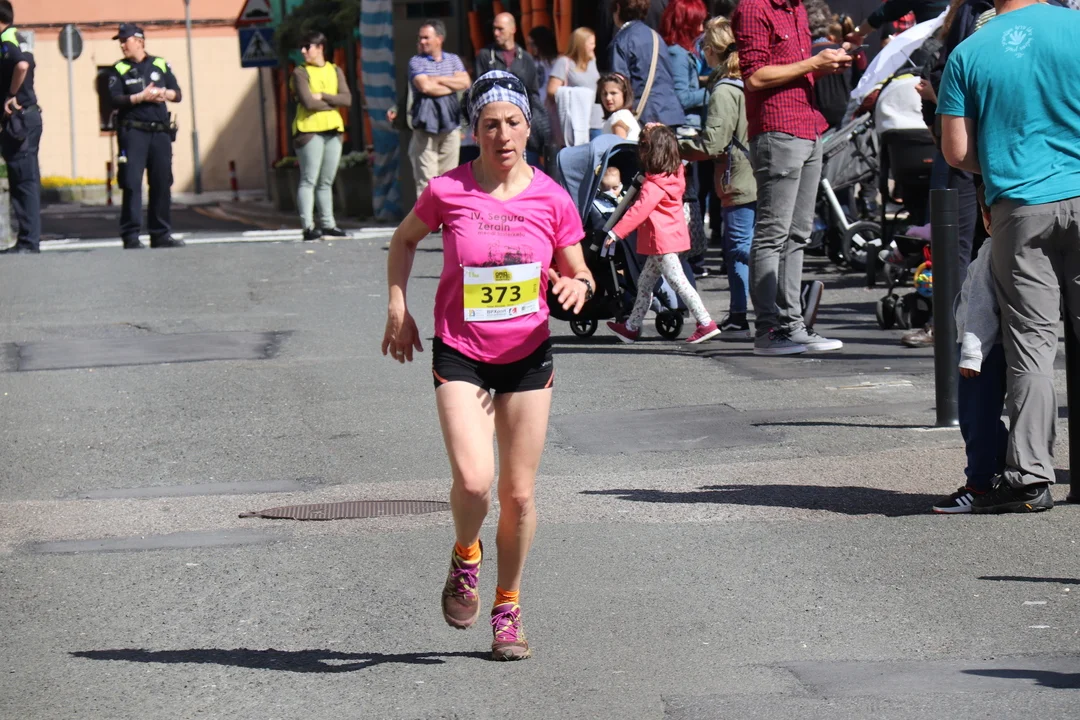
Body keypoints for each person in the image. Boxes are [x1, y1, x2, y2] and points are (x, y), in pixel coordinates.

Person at [381, 70, 594, 660]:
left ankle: (508, 606)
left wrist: (578, 285)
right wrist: (398, 306)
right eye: (490, 124)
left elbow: (579, 268)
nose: (502, 134)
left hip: (527, 356)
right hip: (461, 351)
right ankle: (466, 554)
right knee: (475, 482)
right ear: (474, 131)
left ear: (528, 128)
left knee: (519, 496)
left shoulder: (551, 197)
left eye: (512, 123)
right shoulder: (447, 190)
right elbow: (403, 241)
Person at [938, 0, 1080, 513]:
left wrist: (1004, 162)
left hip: (1019, 206)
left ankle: (1031, 478)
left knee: (1031, 347)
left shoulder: (969, 51)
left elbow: (956, 152)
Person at [732, 0, 849, 355]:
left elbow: (791, 71)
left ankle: (792, 325)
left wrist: (825, 65)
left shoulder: (796, 9)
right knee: (773, 234)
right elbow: (755, 77)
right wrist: (814, 63)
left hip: (807, 127)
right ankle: (768, 330)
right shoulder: (754, 7)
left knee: (797, 234)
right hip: (779, 130)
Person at [605, 124, 722, 344]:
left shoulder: (654, 185)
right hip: (669, 239)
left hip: (660, 241)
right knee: (645, 283)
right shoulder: (675, 174)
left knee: (677, 282)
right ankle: (631, 327)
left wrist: (616, 232)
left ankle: (705, 322)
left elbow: (638, 211)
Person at [933, 185, 1007, 513]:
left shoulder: (988, 253)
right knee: (987, 419)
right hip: (1001, 346)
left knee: (976, 419)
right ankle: (1005, 467)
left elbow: (979, 309)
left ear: (986, 217)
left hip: (983, 351)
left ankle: (978, 484)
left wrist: (971, 354)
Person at [680, 17, 756, 340]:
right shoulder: (748, 80)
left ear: (712, 50)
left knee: (739, 248)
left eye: (704, 48)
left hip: (737, 176)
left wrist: (677, 147)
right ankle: (750, 313)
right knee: (751, 246)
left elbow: (713, 143)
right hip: (756, 172)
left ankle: (745, 314)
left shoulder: (724, 89)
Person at [107, 24, 183, 250]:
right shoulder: (118, 69)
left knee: (161, 182)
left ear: (139, 41)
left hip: (159, 132)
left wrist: (162, 93)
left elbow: (177, 94)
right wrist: (140, 97)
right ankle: (131, 236)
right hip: (133, 132)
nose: (122, 45)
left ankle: (161, 234)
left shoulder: (160, 64)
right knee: (131, 183)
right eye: (120, 42)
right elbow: (114, 99)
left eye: (125, 40)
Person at [291, 32, 351, 242]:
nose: (303, 51)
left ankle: (328, 225)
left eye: (307, 46)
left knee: (326, 181)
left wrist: (323, 96)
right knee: (309, 179)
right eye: (302, 47)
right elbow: (308, 102)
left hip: (333, 130)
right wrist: (333, 102)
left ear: (320, 48)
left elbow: (347, 99)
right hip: (309, 131)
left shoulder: (335, 70)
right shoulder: (300, 72)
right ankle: (308, 227)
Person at [475, 13, 550, 166]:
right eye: (494, 29)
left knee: (526, 167)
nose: (496, 33)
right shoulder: (485, 56)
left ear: (512, 29)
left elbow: (533, 94)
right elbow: (478, 93)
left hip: (520, 125)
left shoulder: (525, 58)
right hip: (495, 125)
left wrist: (531, 123)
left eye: (500, 29)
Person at [407, 20, 470, 199]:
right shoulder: (416, 62)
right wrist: (451, 83)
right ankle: (427, 216)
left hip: (450, 124)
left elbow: (465, 82)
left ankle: (445, 216)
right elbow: (426, 87)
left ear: (439, 39)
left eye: (426, 38)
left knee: (449, 179)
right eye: (420, 38)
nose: (422, 41)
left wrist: (438, 79)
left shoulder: (453, 59)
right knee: (427, 181)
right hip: (426, 125)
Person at [609, 0, 688, 127]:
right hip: (669, 113)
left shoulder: (622, 41)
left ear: (617, 8)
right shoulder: (656, 37)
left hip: (643, 116)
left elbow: (619, 85)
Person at [0, 1, 39, 255]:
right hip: (27, 117)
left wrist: (11, 95)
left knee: (23, 180)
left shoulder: (6, 40)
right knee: (25, 178)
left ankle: (28, 241)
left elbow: (22, 66)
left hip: (19, 119)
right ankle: (28, 239)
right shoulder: (19, 37)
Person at [546, 27, 603, 144]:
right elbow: (551, 90)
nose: (594, 47)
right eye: (591, 43)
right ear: (580, 44)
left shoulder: (592, 61)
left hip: (596, 120)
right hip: (576, 123)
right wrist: (576, 94)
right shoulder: (564, 62)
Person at [660, 0, 709, 128]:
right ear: (685, 26)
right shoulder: (678, 54)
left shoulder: (678, 51)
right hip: (686, 126)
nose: (701, 29)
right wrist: (711, 92)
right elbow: (682, 98)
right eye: (697, 24)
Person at [597, 72, 642, 140]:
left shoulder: (618, 117)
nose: (608, 98)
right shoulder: (625, 115)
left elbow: (620, 144)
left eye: (613, 93)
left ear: (624, 94)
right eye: (604, 94)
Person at [527, 26, 559, 90]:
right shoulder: (531, 62)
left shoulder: (556, 62)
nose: (531, 47)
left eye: (533, 44)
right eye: (529, 44)